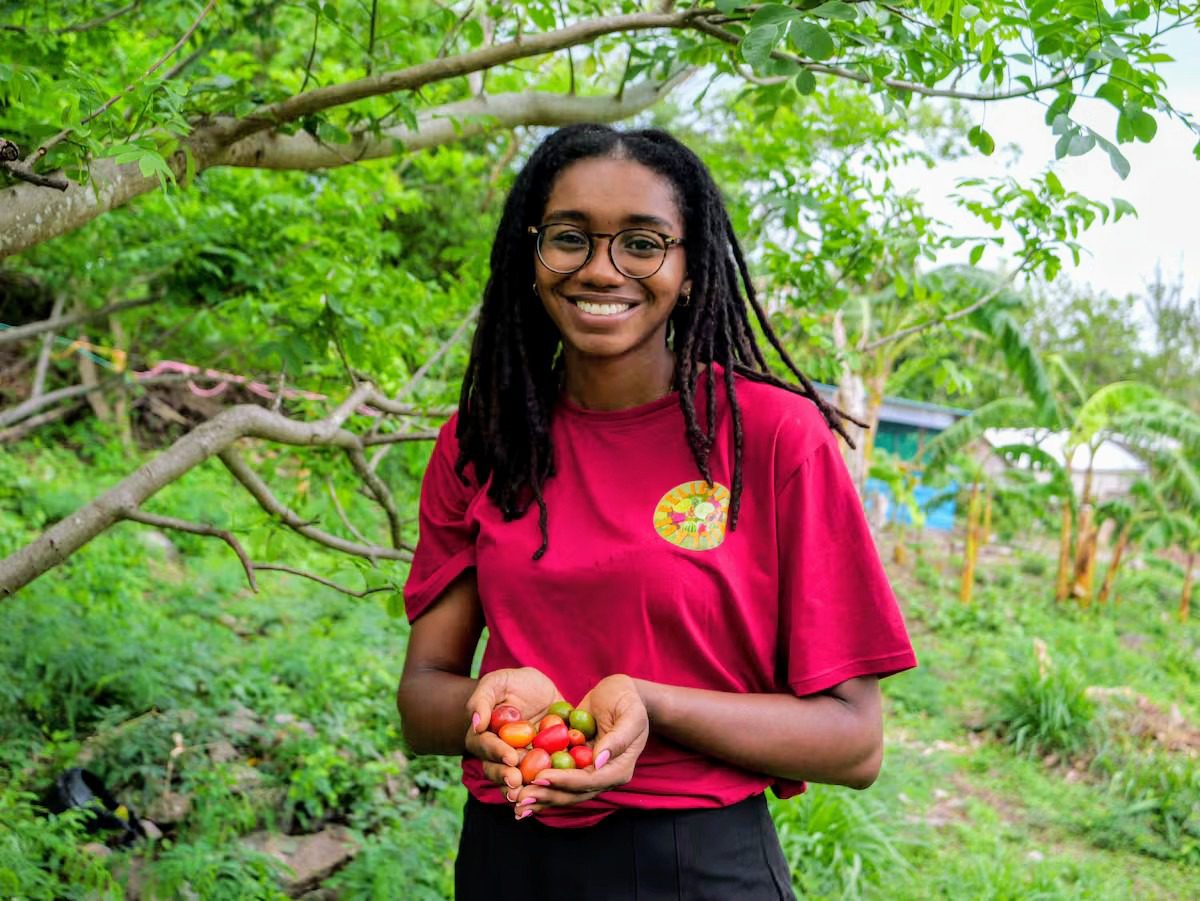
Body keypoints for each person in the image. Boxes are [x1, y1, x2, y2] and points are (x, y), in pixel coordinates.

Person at [396, 124, 917, 900]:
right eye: (569, 237)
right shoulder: (485, 440)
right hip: (509, 855)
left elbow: (853, 742)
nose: (602, 269)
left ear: (692, 269)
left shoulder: (773, 438)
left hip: (696, 861)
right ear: (528, 255)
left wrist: (649, 703)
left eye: (642, 242)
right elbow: (420, 701)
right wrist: (494, 713)